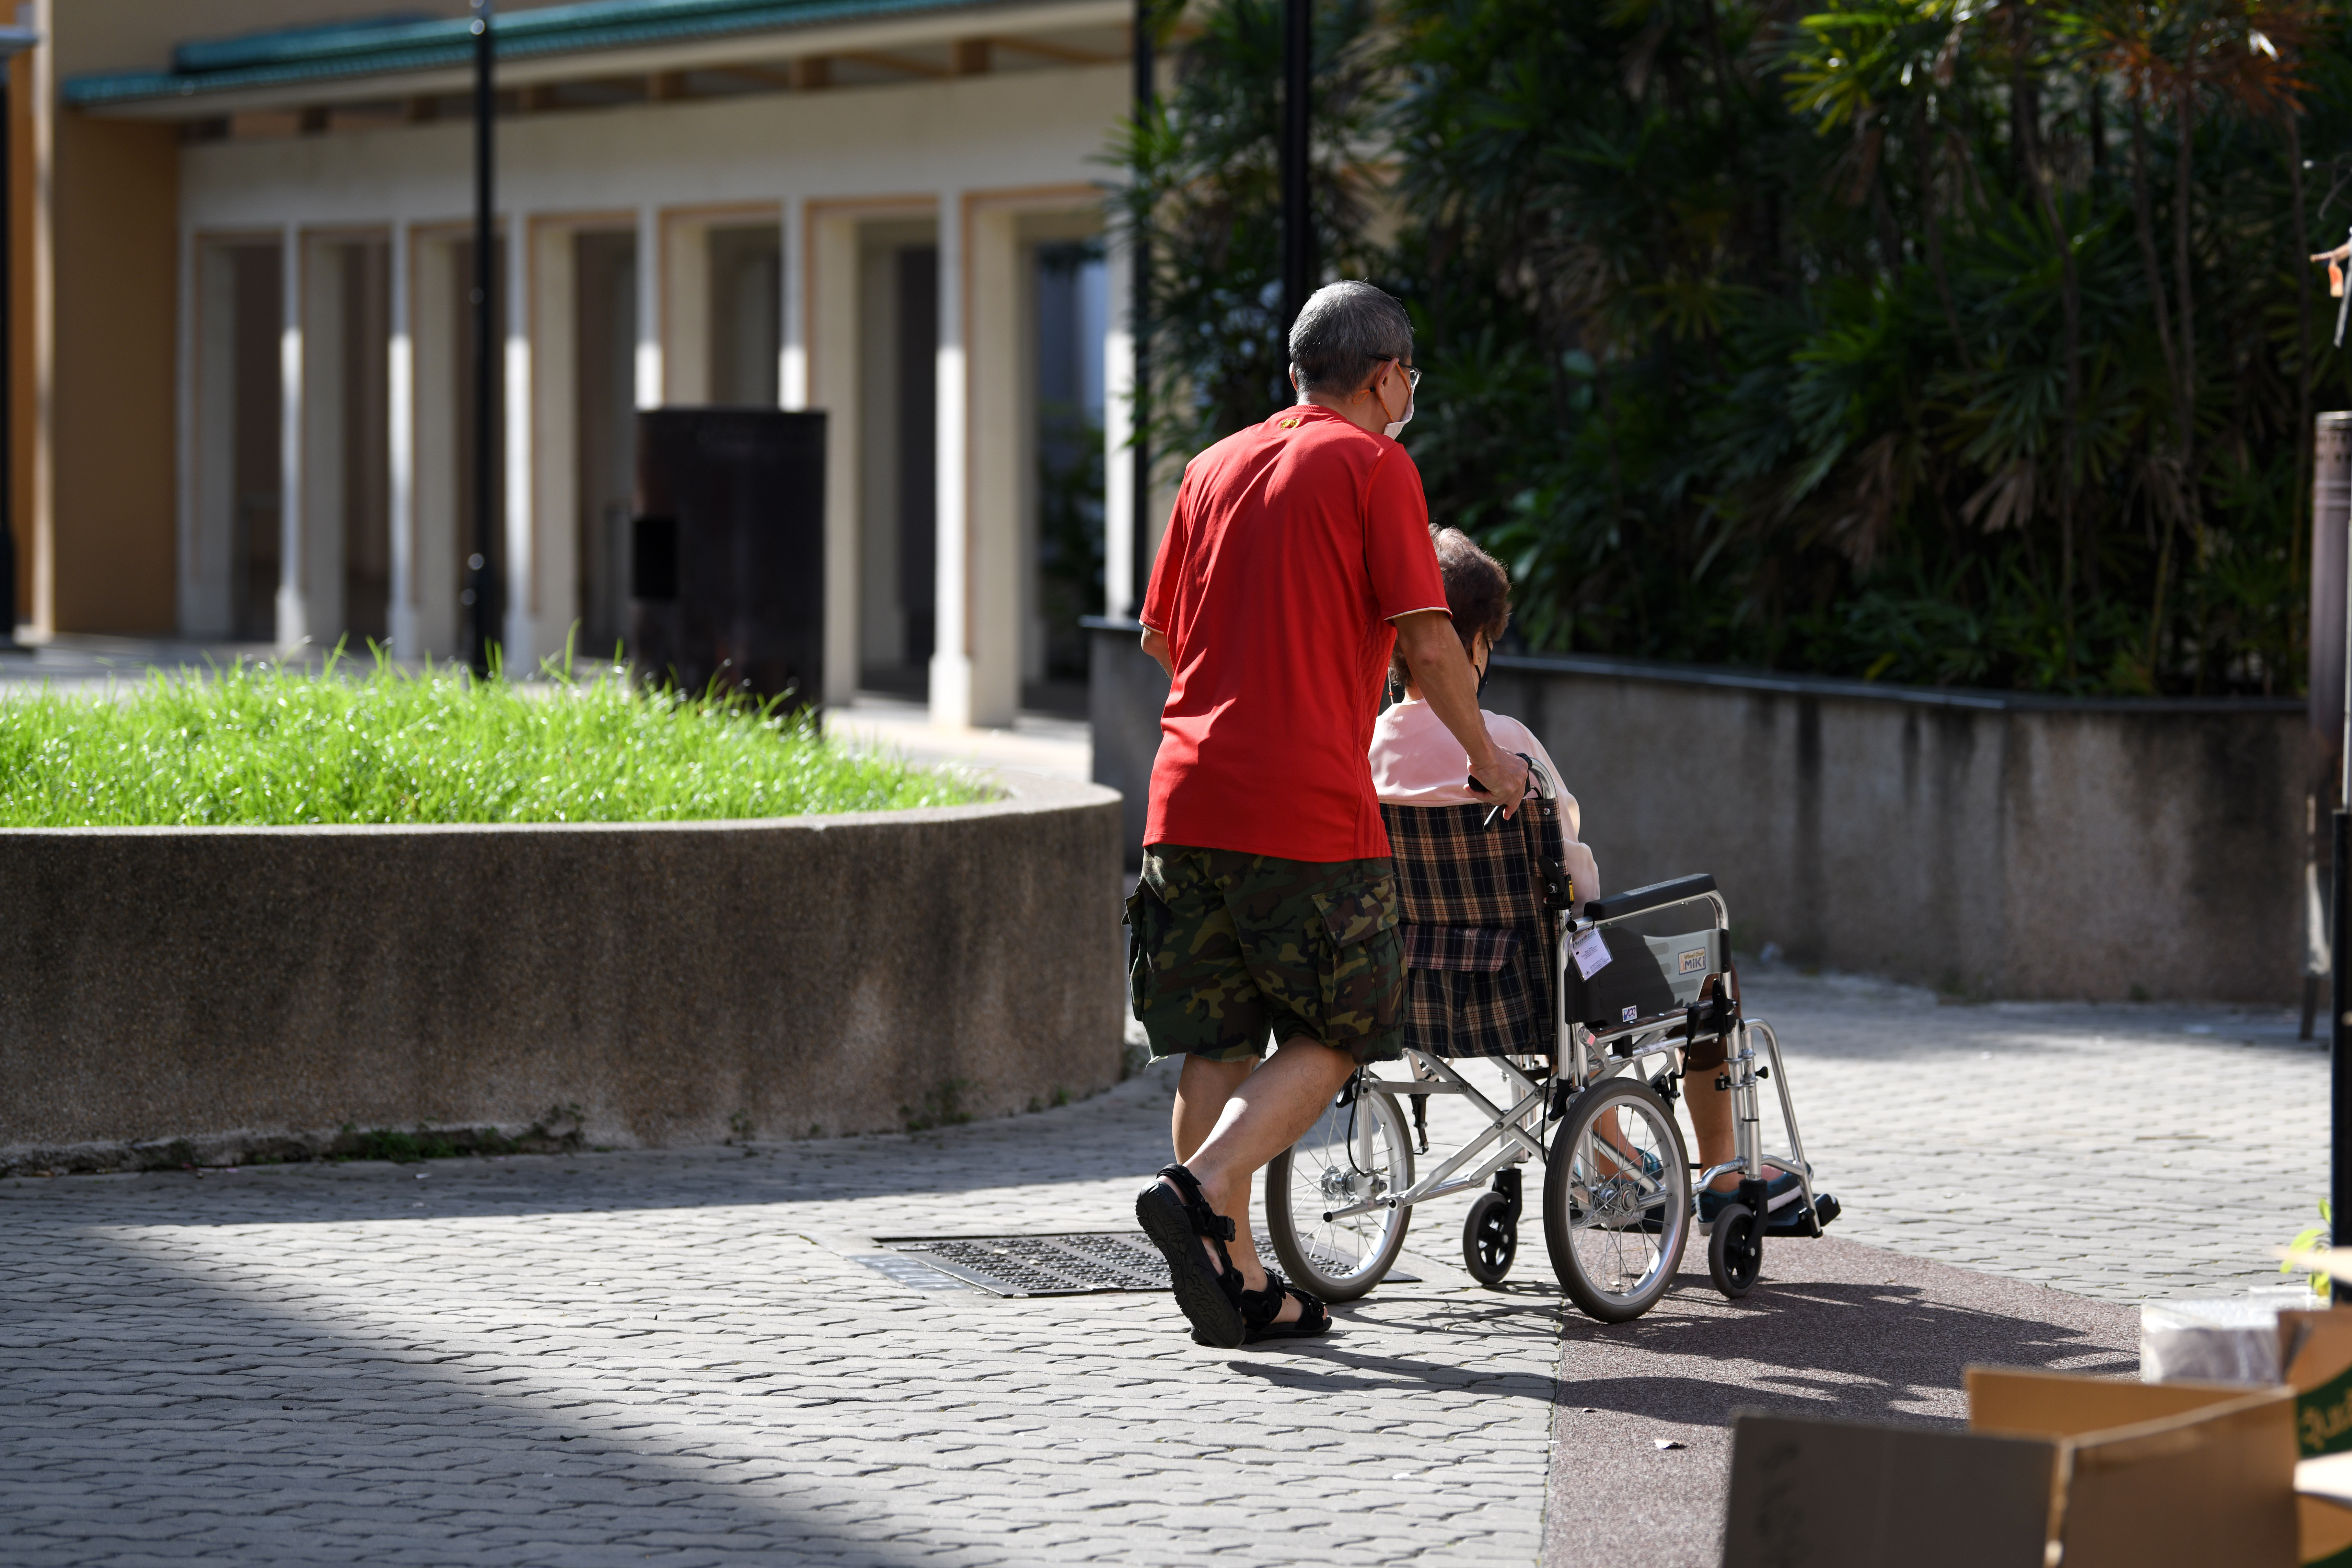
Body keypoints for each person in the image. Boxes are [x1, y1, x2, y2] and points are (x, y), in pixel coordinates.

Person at [1127, 281, 1531, 1349]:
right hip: (1301, 806)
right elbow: (1430, 641)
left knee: (1213, 1038)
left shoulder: (1209, 467)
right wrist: (1487, 762)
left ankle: (1240, 1282)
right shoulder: (1373, 465)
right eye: (1409, 375)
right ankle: (1202, 1185)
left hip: (1182, 796)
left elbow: (1160, 642)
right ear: (1386, 376)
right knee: (1348, 1023)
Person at [1370, 529, 1794, 1221]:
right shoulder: (1503, 742)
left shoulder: (1371, 745)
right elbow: (1566, 845)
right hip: (1546, 980)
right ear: (1470, 644)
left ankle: (1608, 1151)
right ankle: (1719, 1169)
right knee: (1708, 969)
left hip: (1418, 982)